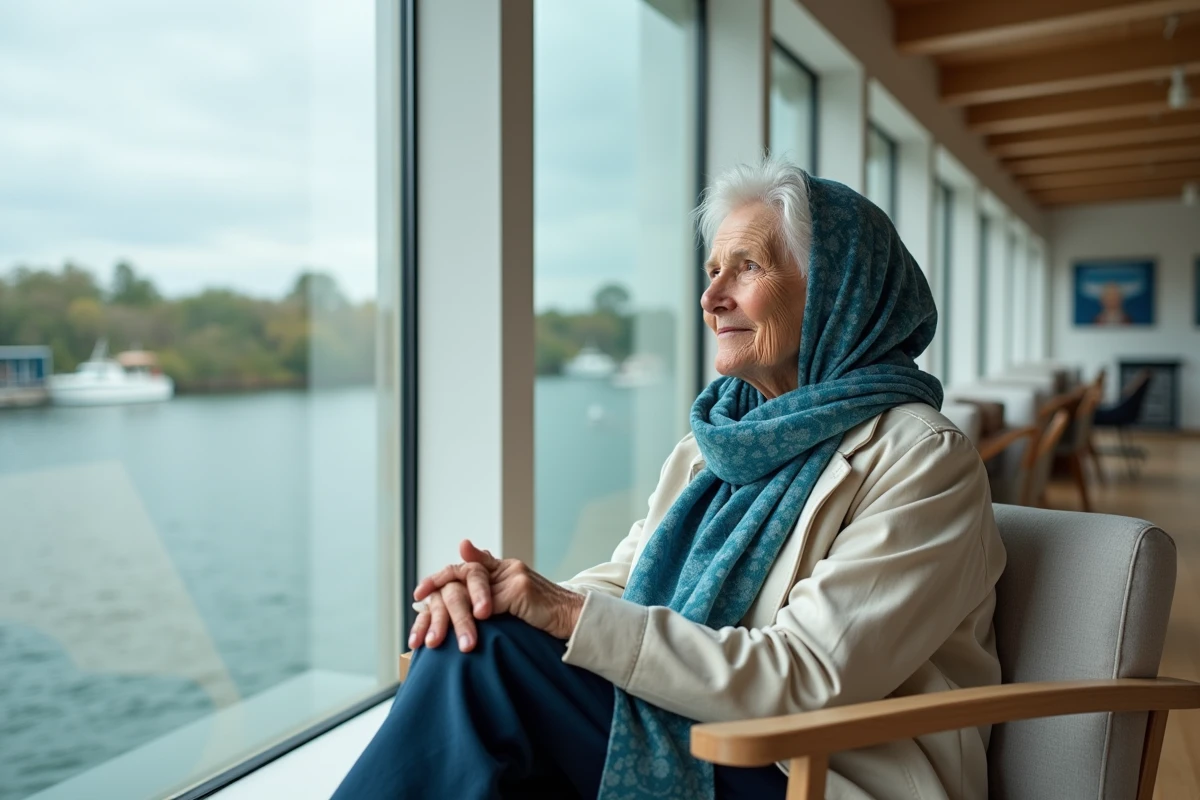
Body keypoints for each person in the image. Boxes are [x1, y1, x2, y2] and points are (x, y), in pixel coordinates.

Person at [332, 159, 1006, 800]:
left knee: (488, 662)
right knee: (476, 634)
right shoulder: (713, 445)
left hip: (805, 769)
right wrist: (504, 594)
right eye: (712, 271)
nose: (711, 298)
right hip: (696, 730)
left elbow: (807, 677)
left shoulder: (923, 458)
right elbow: (629, 579)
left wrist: (562, 614)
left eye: (747, 267)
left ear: (839, 290)